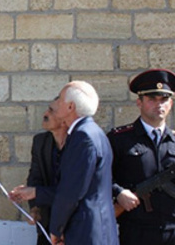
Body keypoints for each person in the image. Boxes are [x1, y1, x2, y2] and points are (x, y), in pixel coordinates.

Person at [9, 81, 118, 245]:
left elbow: (70, 193)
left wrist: (56, 230)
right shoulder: (92, 132)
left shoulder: (83, 137)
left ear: (70, 107)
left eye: (60, 99)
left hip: (84, 232)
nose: (55, 103)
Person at [108, 69, 175, 245]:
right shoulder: (119, 139)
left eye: (164, 99)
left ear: (171, 104)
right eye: (152, 99)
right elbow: (100, 176)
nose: (158, 105)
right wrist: (119, 192)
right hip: (136, 232)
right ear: (139, 102)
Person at [10, 102, 69, 245]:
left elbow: (73, 191)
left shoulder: (80, 144)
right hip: (47, 223)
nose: (45, 114)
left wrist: (35, 192)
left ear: (65, 118)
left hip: (73, 225)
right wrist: (35, 209)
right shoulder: (40, 142)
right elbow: (35, 177)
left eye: (51, 111)